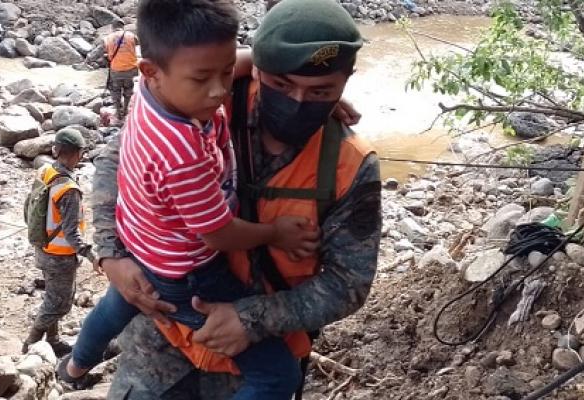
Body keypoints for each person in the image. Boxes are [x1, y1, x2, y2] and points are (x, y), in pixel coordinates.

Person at [85, 0, 382, 398]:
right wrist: (111, 255)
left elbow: (349, 284)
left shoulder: (350, 164)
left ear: (346, 82)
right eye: (282, 84)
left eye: (320, 91)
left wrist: (250, 318)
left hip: (253, 369)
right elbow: (117, 160)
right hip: (161, 345)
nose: (297, 101)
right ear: (259, 68)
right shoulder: (210, 96)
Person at [23, 128, 94, 356]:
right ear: (77, 154)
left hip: (42, 247)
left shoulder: (46, 171)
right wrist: (92, 256)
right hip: (60, 257)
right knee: (59, 304)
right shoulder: (69, 190)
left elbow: (29, 206)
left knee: (52, 297)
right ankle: (30, 343)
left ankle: (53, 339)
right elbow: (72, 234)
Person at [104, 19, 139, 120]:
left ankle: (118, 112)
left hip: (116, 70)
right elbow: (138, 44)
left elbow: (103, 52)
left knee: (115, 90)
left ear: (112, 27)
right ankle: (126, 109)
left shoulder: (108, 38)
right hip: (131, 68)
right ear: (123, 27)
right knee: (128, 89)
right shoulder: (132, 36)